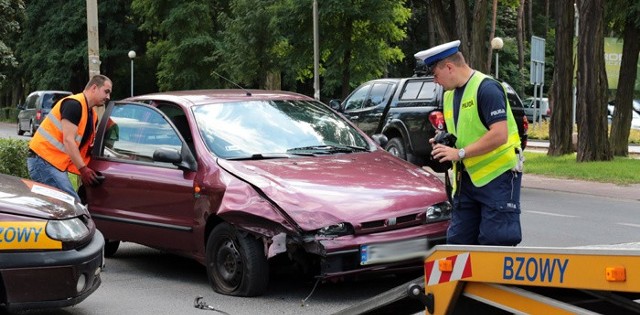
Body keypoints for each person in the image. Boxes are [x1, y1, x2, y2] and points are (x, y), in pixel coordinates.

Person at [415, 40, 523, 246]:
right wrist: (443, 141)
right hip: (466, 181)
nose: (434, 82)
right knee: (458, 242)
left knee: (494, 242)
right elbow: (464, 132)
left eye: (435, 75)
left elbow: (500, 134)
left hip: (498, 178)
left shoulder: (488, 88)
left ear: (449, 67)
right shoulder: (449, 96)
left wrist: (460, 153)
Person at [27, 74, 112, 200]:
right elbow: (68, 140)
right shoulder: (74, 105)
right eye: (106, 92)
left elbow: (84, 147)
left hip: (52, 163)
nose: (108, 97)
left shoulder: (92, 115)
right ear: (94, 87)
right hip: (43, 161)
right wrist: (83, 170)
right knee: (71, 203)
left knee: (59, 207)